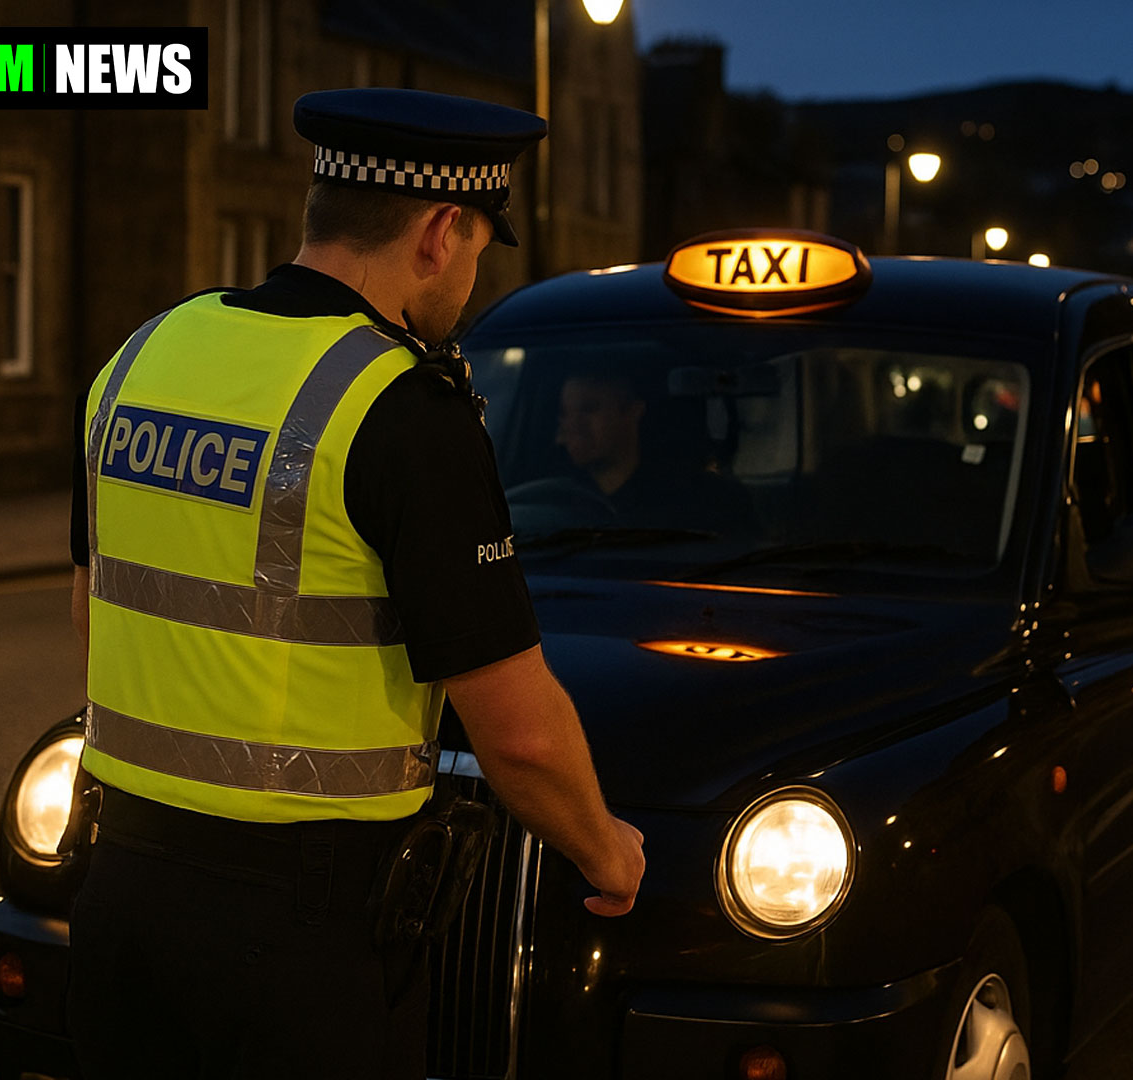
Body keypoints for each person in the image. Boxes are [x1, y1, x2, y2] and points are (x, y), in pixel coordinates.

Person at [64, 88, 645, 1079]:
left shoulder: (144, 355)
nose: (468, 276)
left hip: (119, 892)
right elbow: (517, 733)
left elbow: (97, 602)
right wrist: (604, 849)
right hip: (298, 932)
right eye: (476, 250)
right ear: (439, 229)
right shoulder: (401, 407)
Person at [553, 370, 760, 536]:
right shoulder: (553, 504)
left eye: (589, 409)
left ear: (634, 412)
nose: (572, 424)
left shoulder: (704, 505)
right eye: (564, 414)